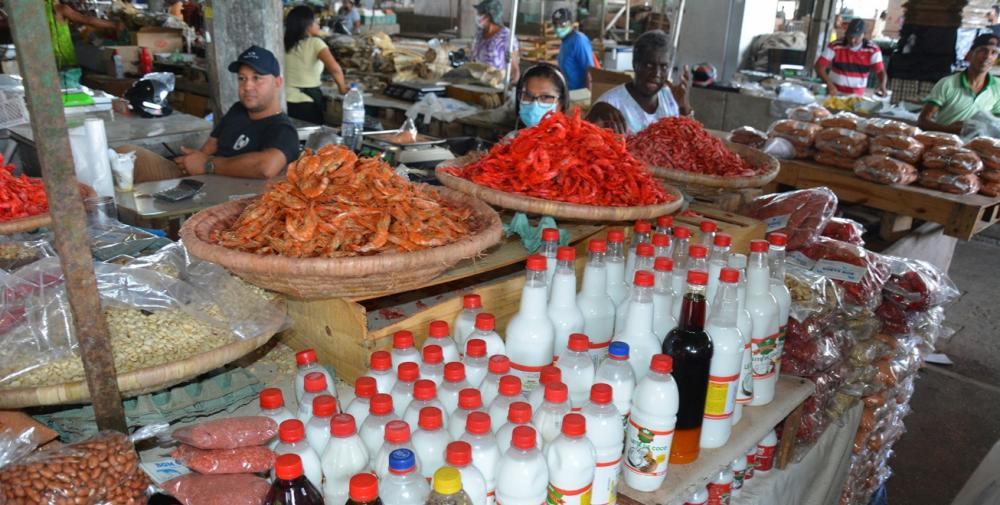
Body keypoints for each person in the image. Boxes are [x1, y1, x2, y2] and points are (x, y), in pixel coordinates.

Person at [168, 46, 300, 180]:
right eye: (242, 78)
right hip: (206, 186)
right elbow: (210, 146)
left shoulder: (284, 130)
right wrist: (193, 162)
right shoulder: (238, 110)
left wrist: (208, 164)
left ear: (277, 83)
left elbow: (265, 168)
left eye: (257, 78)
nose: (247, 86)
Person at [586, 30, 691, 135]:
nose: (657, 74)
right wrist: (594, 115)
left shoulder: (670, 98)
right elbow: (582, 141)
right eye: (649, 65)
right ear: (635, 64)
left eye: (663, 67)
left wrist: (684, 107)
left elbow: (688, 140)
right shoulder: (610, 105)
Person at [918, 34, 1000, 134]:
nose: (988, 56)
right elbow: (922, 122)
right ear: (970, 54)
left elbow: (997, 122)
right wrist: (951, 130)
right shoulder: (947, 83)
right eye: (982, 51)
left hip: (978, 147)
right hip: (945, 145)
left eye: (994, 52)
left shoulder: (997, 87)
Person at [284, 5, 349, 125]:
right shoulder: (316, 43)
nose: (317, 23)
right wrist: (343, 88)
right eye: (314, 20)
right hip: (305, 104)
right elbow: (334, 69)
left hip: (283, 101)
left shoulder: (283, 43)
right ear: (307, 25)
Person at [815, 18, 887, 97]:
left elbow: (880, 71)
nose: (852, 40)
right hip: (834, 92)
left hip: (857, 95)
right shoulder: (835, 46)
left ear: (864, 34)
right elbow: (819, 66)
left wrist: (882, 84)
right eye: (850, 36)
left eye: (856, 37)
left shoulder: (873, 50)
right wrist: (829, 84)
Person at [47, 0, 125, 69]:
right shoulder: (61, 8)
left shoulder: (41, 10)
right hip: (65, 55)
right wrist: (114, 25)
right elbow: (87, 20)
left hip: (49, 55)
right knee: (106, 57)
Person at [512, 63, 570, 134]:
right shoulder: (510, 140)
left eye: (545, 97)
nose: (534, 105)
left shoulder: (575, 143)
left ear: (561, 103)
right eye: (528, 95)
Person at [471, 0, 520, 83]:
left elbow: (514, 69)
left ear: (490, 16)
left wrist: (510, 88)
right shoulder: (479, 34)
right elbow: (473, 59)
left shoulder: (507, 36)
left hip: (497, 86)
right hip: (477, 84)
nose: (478, 16)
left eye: (480, 13)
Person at [552, 8, 594, 91]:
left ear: (571, 23)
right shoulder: (565, 41)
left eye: (562, 24)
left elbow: (590, 72)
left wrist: (588, 98)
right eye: (556, 24)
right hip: (568, 92)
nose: (558, 27)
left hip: (579, 94)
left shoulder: (579, 41)